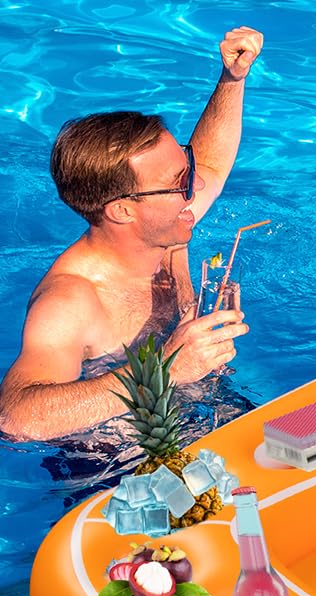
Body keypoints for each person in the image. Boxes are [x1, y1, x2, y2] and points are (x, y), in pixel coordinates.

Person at [0, 26, 264, 443]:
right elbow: (17, 419)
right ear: (122, 210)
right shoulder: (71, 300)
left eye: (187, 170)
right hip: (115, 463)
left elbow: (211, 162)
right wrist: (164, 371)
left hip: (196, 420)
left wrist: (233, 79)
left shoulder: (166, 228)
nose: (195, 187)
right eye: (179, 182)